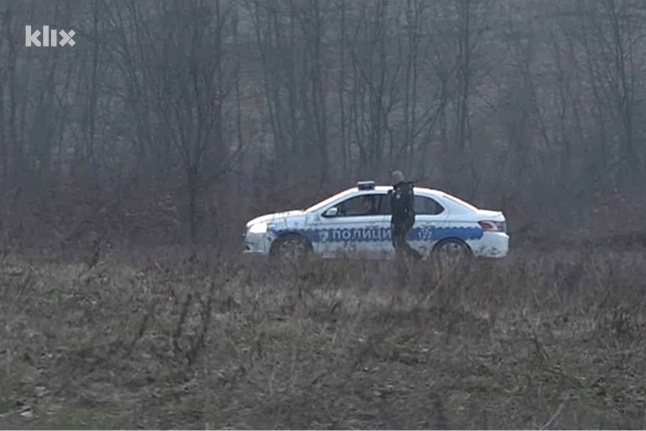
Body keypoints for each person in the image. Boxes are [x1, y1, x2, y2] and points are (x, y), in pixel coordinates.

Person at [389, 170, 422, 260]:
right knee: (397, 242)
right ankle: (409, 258)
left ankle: (413, 258)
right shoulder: (399, 190)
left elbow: (398, 208)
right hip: (400, 220)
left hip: (404, 219)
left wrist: (400, 223)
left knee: (399, 242)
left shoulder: (403, 191)